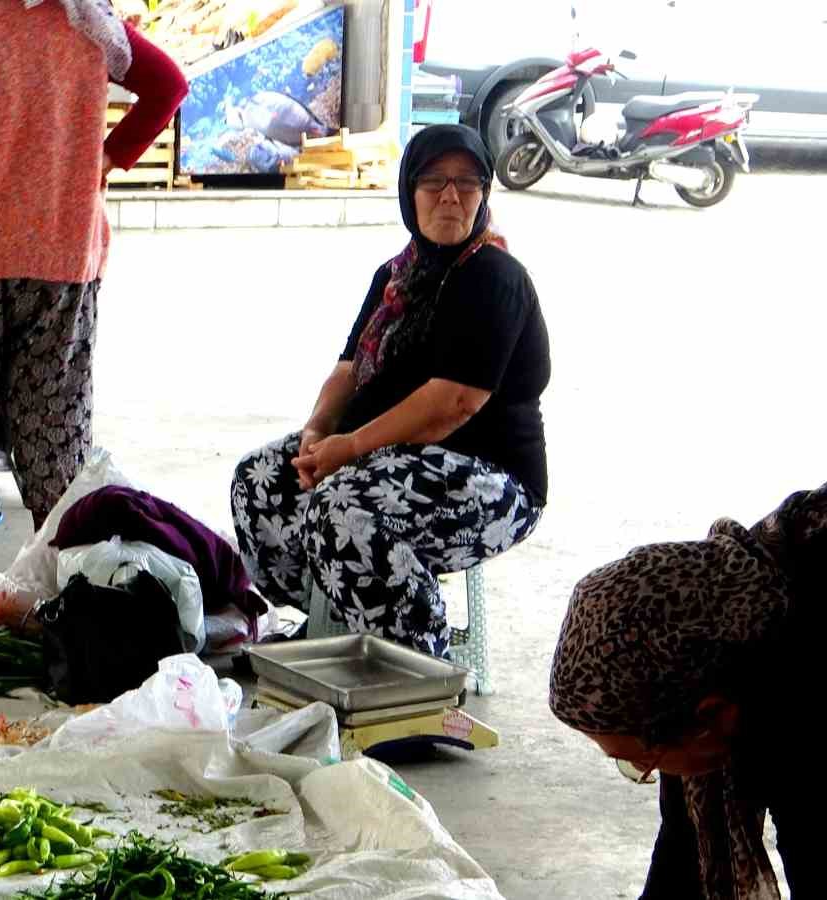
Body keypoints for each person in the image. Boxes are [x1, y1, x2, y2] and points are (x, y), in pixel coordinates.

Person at [0, 0, 187, 575]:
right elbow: (169, 85)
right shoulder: (92, 30)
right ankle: (58, 537)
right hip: (60, 252)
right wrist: (113, 154)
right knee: (53, 401)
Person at [229, 124, 550, 657]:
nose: (450, 195)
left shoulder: (493, 276)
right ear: (409, 192)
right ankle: (328, 623)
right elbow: (348, 370)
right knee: (260, 480)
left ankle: (418, 667)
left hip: (492, 479)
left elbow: (453, 403)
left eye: (467, 182)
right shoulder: (398, 275)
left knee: (344, 508)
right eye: (433, 182)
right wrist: (318, 433)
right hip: (394, 454)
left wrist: (350, 449)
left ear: (485, 194)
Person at [549, 484, 825, 900]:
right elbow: (682, 861)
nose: (654, 772)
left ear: (713, 715)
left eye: (642, 762)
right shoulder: (720, 625)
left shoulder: (796, 713)